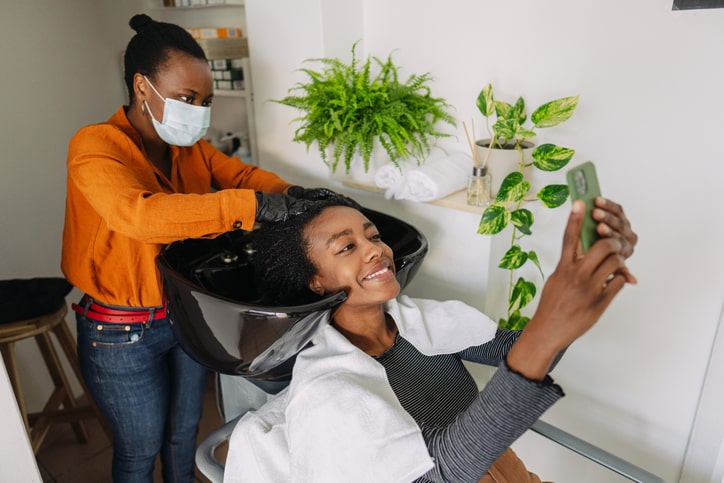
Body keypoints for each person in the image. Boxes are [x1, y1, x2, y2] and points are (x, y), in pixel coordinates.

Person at [61, 13, 339, 483]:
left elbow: (242, 176)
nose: (198, 111)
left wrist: (292, 196)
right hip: (120, 333)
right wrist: (255, 207)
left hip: (184, 315)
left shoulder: (189, 151)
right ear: (142, 88)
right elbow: (142, 216)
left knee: (184, 434)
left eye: (205, 101)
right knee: (138, 450)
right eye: (187, 99)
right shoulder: (95, 147)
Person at [223, 195, 638, 482]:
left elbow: (526, 352)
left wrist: (588, 276)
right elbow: (440, 475)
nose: (374, 250)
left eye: (372, 235)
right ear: (315, 282)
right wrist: (547, 327)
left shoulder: (423, 325)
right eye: (346, 247)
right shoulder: (330, 393)